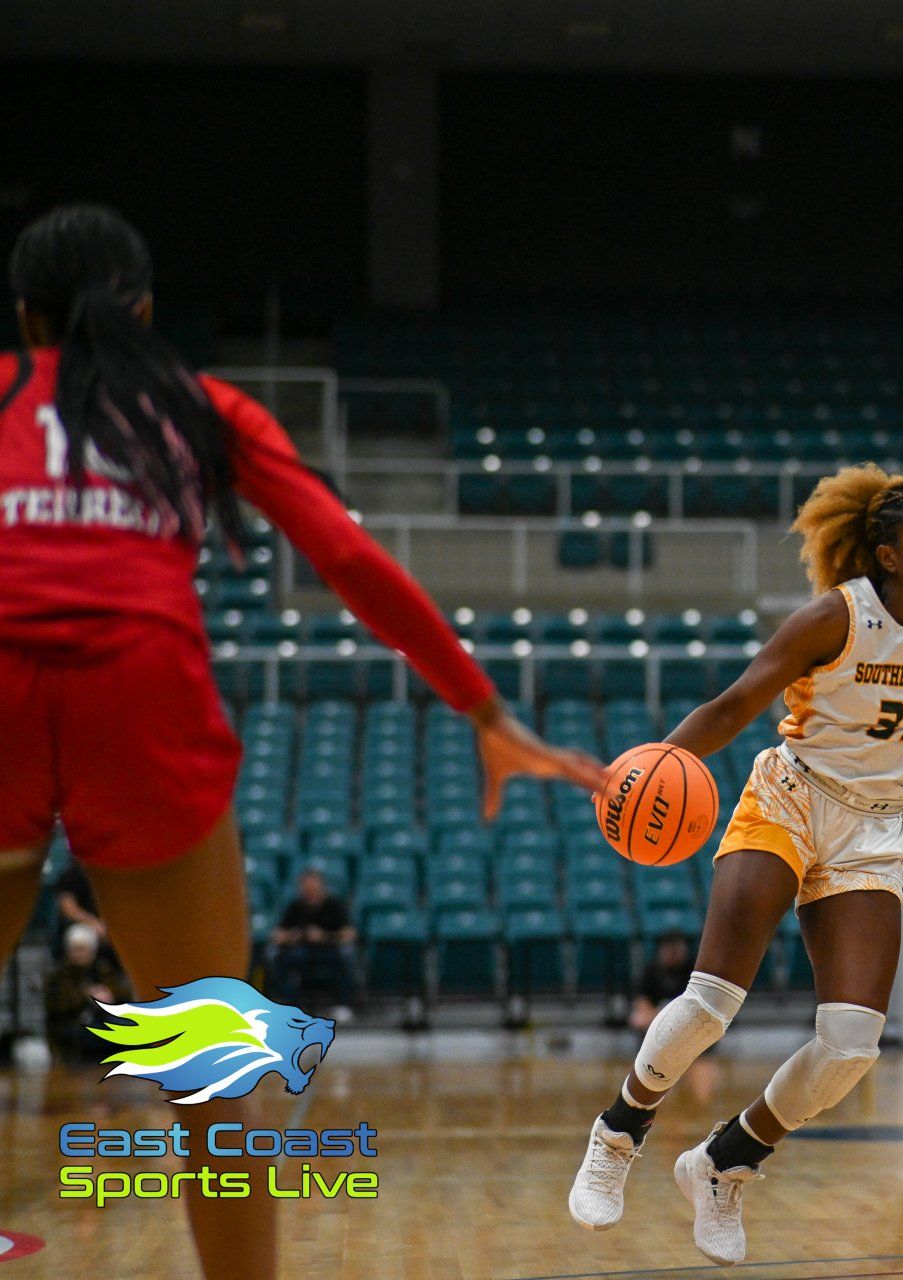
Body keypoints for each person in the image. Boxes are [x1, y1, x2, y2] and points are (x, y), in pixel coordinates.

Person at [0, 205, 604, 1280]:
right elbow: (343, 552)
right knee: (209, 1068)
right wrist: (482, 707)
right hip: (142, 690)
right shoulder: (201, 405)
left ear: (24, 317)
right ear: (143, 310)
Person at [566, 464, 903, 1265]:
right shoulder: (835, 618)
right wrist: (645, 768)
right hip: (791, 799)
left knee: (852, 1044)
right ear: (886, 554)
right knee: (711, 1002)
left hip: (875, 831)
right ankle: (619, 1131)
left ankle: (723, 1164)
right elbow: (735, 703)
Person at [267, 868, 356, 1019]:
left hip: (329, 950)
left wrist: (324, 936)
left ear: (322, 888)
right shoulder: (295, 906)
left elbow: (349, 934)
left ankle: (342, 1004)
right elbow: (276, 935)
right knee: (279, 958)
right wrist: (292, 936)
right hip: (301, 951)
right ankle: (292, 1006)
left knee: (345, 957)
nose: (310, 893)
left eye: (314, 888)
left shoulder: (334, 905)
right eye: (307, 889)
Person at [43, 922, 130, 1064]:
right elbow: (57, 1005)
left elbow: (124, 993)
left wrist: (109, 993)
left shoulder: (102, 969)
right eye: (74, 949)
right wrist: (86, 996)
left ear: (93, 950)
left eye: (83, 949)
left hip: (103, 1020)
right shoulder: (59, 976)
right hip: (73, 1027)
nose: (78, 954)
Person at [629, 931, 695, 1033]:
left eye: (676, 950)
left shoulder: (693, 970)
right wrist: (655, 1016)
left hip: (685, 1015)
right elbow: (640, 998)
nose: (672, 954)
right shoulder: (652, 969)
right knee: (638, 1018)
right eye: (669, 949)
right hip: (656, 1014)